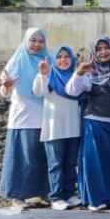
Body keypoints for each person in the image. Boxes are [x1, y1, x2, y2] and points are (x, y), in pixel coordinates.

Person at [66, 36, 110, 211]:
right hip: (95, 125)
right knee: (94, 164)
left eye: (106, 47)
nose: (103, 52)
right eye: (99, 49)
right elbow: (71, 91)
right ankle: (95, 200)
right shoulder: (90, 72)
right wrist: (79, 72)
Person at [0, 28, 50, 208]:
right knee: (21, 156)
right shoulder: (17, 61)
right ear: (26, 41)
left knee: (40, 156)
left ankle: (38, 194)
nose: (36, 45)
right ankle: (17, 196)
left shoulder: (48, 61)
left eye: (40, 41)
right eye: (33, 40)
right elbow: (4, 92)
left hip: (45, 117)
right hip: (22, 117)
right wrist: (7, 87)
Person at [33, 45, 82, 210]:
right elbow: (39, 91)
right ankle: (56, 197)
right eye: (59, 57)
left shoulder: (76, 76)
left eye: (66, 56)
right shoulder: (50, 75)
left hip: (73, 127)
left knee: (70, 163)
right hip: (55, 128)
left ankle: (69, 194)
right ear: (54, 59)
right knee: (56, 164)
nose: (63, 60)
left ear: (72, 59)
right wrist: (43, 74)